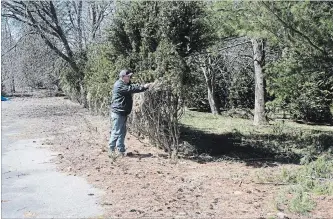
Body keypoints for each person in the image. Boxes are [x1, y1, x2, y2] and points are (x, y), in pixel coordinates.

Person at [108, 69, 153, 157]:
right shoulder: (119, 85)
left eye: (129, 76)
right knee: (116, 132)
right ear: (123, 77)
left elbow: (132, 86)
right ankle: (111, 150)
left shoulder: (125, 83)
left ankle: (121, 151)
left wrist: (142, 86)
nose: (129, 77)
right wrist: (144, 87)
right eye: (128, 76)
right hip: (118, 113)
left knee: (122, 132)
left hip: (123, 112)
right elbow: (131, 89)